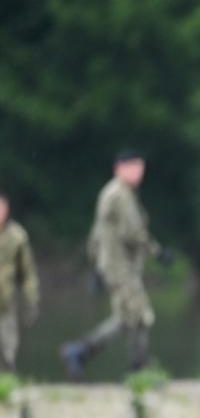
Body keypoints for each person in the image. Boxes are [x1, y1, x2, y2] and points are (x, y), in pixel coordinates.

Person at [62, 152, 163, 378]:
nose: (138, 173)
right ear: (119, 168)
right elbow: (132, 232)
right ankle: (138, 368)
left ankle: (81, 352)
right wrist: (157, 251)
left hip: (116, 266)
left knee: (129, 317)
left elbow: (97, 233)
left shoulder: (115, 193)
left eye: (140, 168)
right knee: (140, 314)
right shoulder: (119, 194)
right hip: (120, 267)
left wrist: (97, 266)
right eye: (133, 167)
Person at [0, 192, 40, 373]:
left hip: (6, 300)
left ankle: (7, 379)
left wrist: (31, 299)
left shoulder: (17, 236)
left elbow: (27, 272)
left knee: (8, 347)